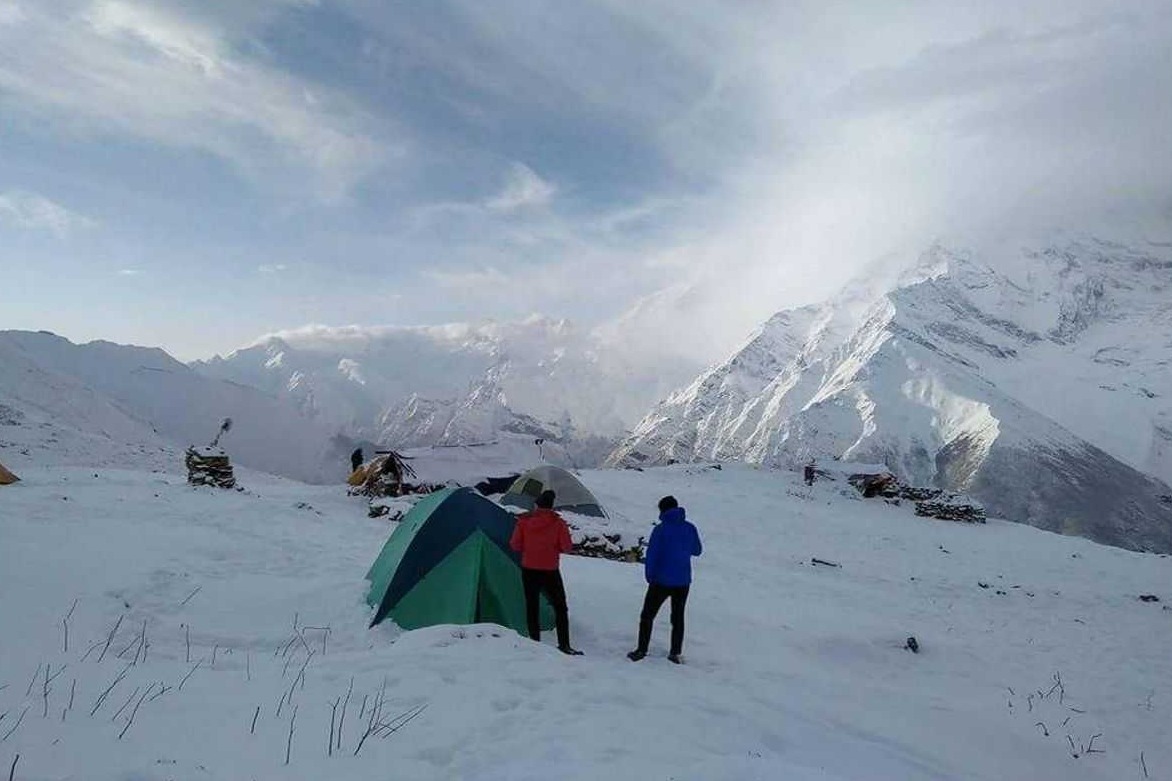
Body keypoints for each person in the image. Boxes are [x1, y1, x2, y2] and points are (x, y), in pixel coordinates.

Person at [628, 496, 702, 664]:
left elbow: (652, 555)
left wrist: (649, 576)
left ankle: (641, 650)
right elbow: (697, 550)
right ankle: (675, 653)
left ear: (662, 510)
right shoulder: (690, 528)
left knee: (647, 615)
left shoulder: (660, 530)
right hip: (683, 581)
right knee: (678, 618)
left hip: (661, 581)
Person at [510, 490, 582, 655]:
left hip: (529, 569)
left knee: (532, 606)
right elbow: (567, 547)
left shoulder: (524, 521)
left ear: (537, 504)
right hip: (550, 570)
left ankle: (535, 643)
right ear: (551, 505)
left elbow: (515, 545)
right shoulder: (558, 524)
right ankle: (564, 644)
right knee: (560, 607)